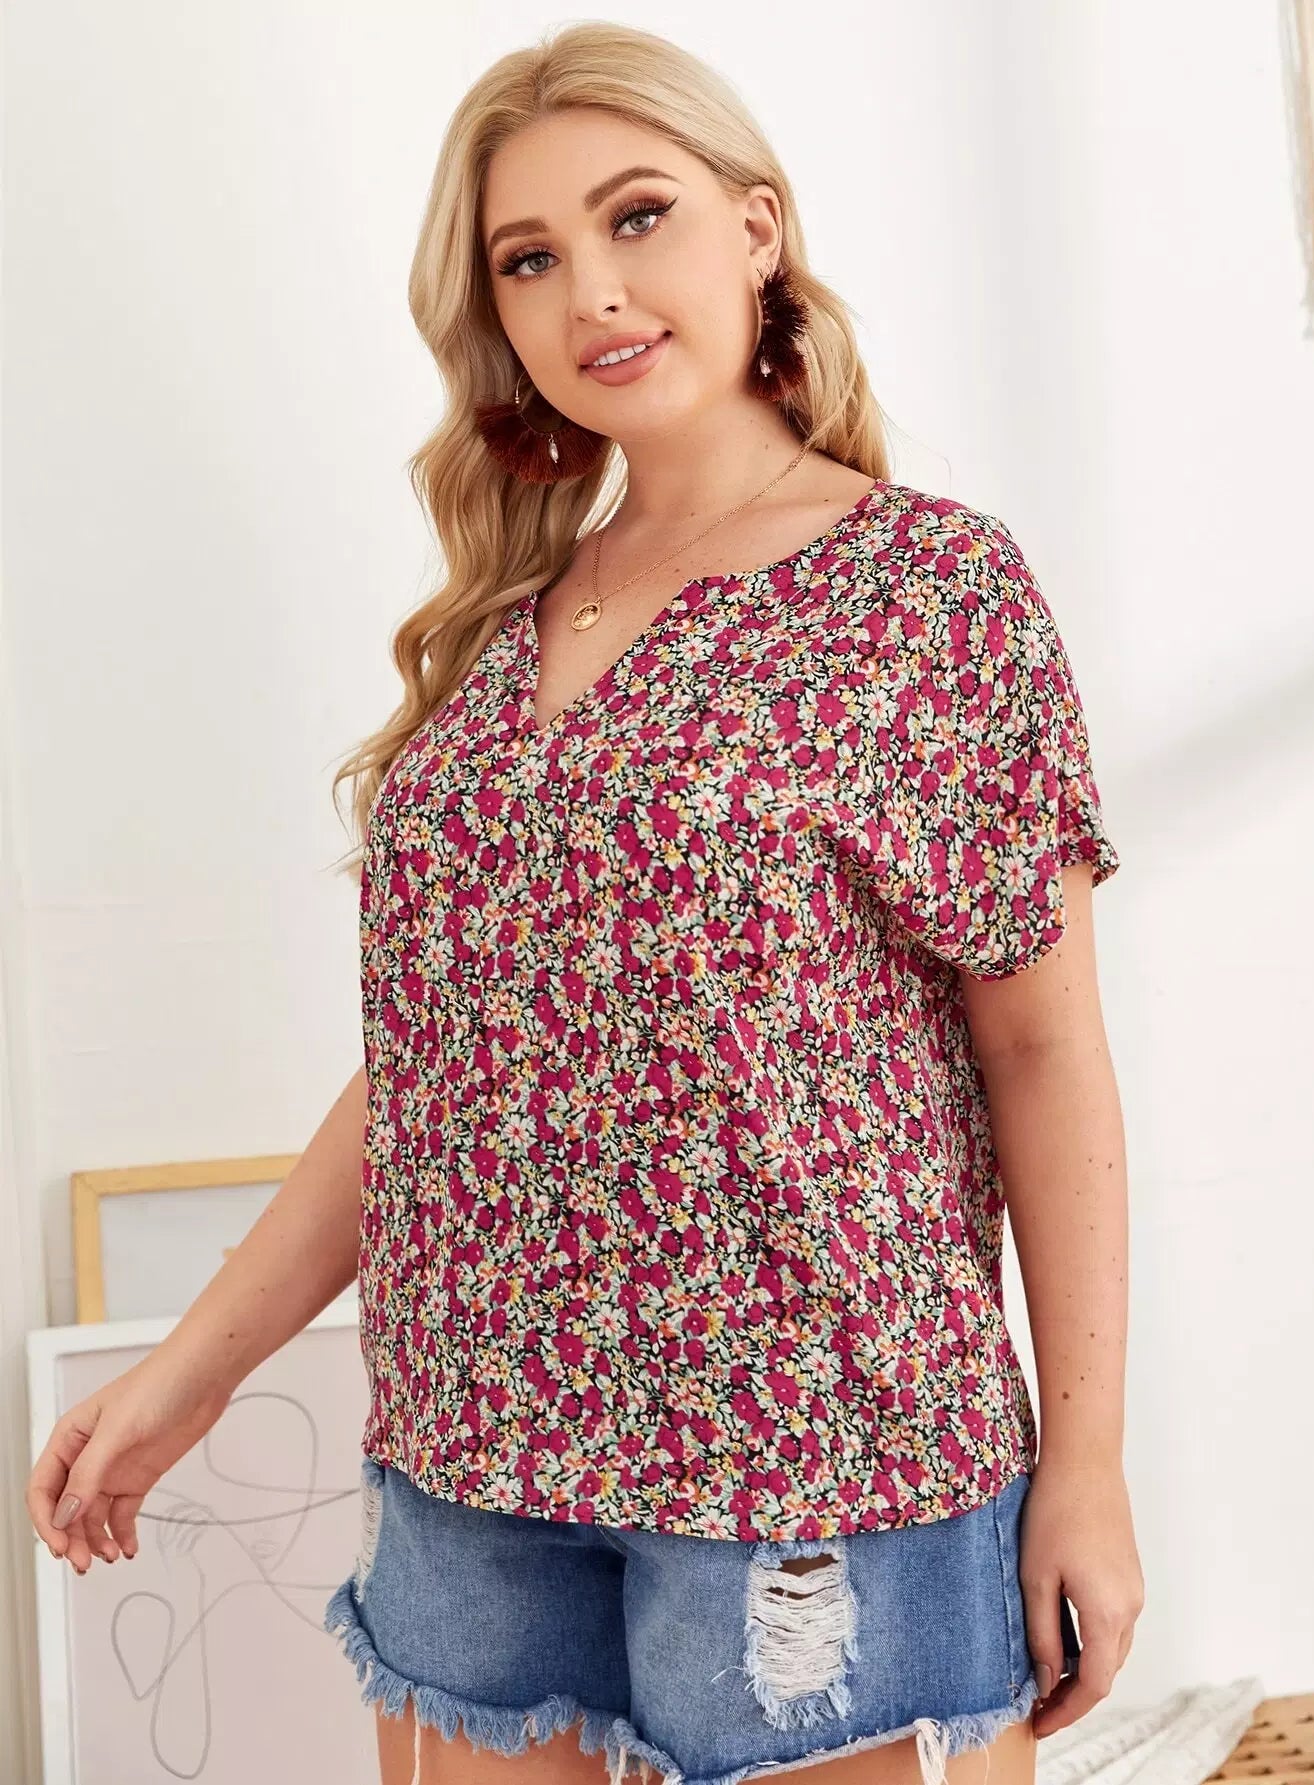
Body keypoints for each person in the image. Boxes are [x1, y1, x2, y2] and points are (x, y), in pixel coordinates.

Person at [26, 21, 1144, 1785]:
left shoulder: (930, 591)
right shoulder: (500, 623)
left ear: (756, 228)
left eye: (637, 218)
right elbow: (439, 1067)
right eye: (529, 259)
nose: (592, 294)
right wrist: (193, 1372)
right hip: (474, 1455)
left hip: (814, 1453)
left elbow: (1046, 1052)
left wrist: (1085, 1462)